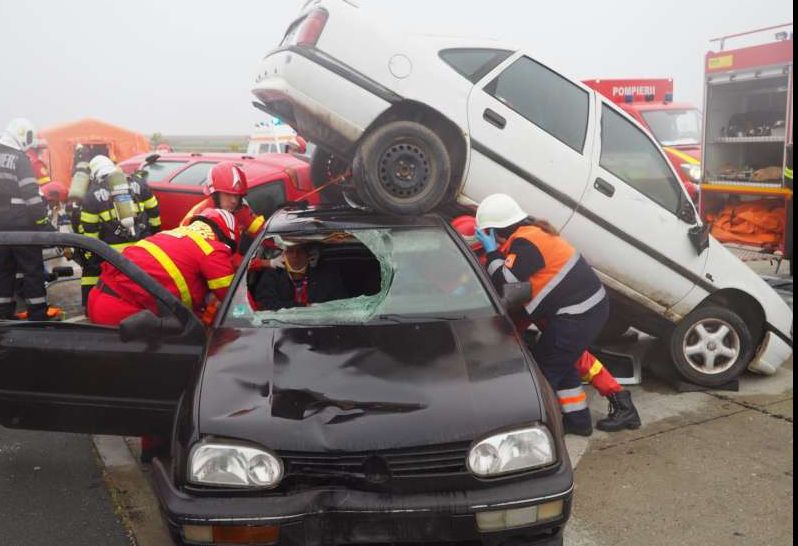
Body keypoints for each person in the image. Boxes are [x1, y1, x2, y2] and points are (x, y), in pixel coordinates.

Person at [452, 214, 640, 433]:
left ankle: (542, 423)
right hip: (556, 313)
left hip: (564, 314)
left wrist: (506, 336)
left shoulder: (504, 253)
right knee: (571, 361)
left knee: (553, 367)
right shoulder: (510, 245)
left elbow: (511, 294)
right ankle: (583, 418)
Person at [87, 208, 239, 326]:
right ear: (227, 239)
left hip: (98, 296)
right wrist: (255, 318)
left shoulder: (175, 234)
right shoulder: (212, 249)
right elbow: (233, 300)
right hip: (124, 312)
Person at [78, 155, 161, 306]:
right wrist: (154, 237)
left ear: (94, 174)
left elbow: (90, 233)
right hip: (142, 247)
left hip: (111, 254)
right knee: (143, 280)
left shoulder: (92, 195)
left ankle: (91, 305)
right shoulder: (139, 183)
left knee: (92, 271)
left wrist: (90, 256)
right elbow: (154, 212)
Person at [0, 118, 52, 321]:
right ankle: (37, 316)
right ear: (22, 135)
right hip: (22, 227)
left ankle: (3, 316)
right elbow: (31, 194)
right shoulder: (19, 159)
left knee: (3, 271)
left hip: (1, 230)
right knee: (32, 270)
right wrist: (43, 223)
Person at [180, 161, 265, 240]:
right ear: (216, 195)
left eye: (237, 195)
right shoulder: (198, 216)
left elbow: (261, 233)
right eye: (227, 194)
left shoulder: (241, 210)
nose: (234, 201)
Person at [254, 239, 347, 311]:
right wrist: (302, 307)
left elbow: (340, 304)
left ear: (309, 254)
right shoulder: (272, 274)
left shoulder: (328, 274)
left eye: (300, 250)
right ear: (284, 253)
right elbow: (265, 305)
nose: (295, 255)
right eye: (290, 250)